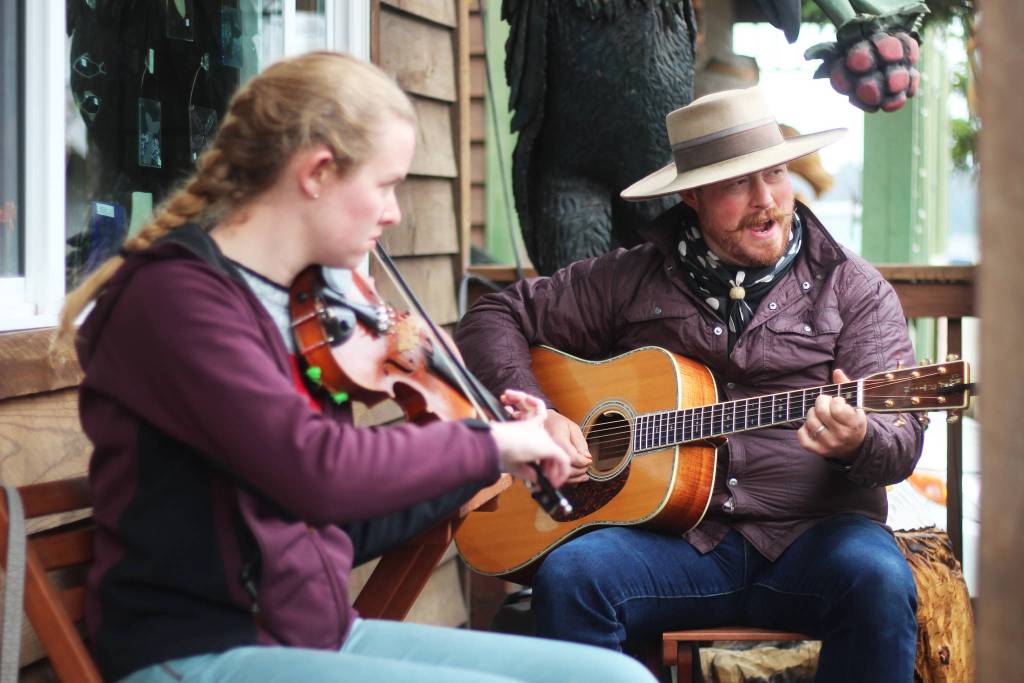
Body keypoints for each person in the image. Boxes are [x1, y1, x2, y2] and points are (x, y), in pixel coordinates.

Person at [57, 52, 656, 683]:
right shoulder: (178, 302)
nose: (395, 212)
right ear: (317, 172)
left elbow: (328, 520)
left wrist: (490, 462)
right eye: (386, 184)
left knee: (619, 679)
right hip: (198, 652)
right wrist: (484, 441)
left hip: (318, 638)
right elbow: (315, 470)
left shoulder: (302, 311)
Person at [455, 87, 923, 682]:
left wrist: (861, 440)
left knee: (880, 582)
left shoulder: (853, 289)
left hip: (816, 539)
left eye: (775, 174)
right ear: (692, 195)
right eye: (736, 184)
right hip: (677, 544)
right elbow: (495, 317)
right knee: (572, 578)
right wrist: (537, 414)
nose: (766, 201)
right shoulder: (630, 277)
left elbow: (899, 438)